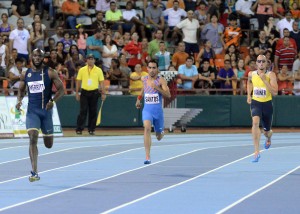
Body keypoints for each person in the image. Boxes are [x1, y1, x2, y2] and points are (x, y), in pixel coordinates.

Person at [15, 48, 65, 182]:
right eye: (35, 55)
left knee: (48, 144)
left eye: (39, 56)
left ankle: (46, 135)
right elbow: (21, 90)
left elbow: (62, 90)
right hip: (32, 112)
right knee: (32, 137)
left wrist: (53, 101)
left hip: (46, 113)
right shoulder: (26, 73)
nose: (37, 58)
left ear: (43, 58)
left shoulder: (50, 72)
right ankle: (34, 172)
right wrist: (19, 100)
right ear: (32, 57)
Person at [135, 60, 171, 164]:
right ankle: (147, 156)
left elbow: (168, 95)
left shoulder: (161, 81)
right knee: (146, 128)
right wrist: (138, 99)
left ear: (157, 69)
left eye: (154, 68)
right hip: (147, 110)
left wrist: (157, 88)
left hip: (158, 112)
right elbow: (143, 89)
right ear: (147, 69)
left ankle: (161, 131)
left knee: (159, 137)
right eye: (150, 68)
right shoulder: (144, 79)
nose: (151, 70)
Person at [247, 55, 278, 163]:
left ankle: (269, 138)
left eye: (263, 61)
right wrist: (249, 95)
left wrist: (265, 80)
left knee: (267, 131)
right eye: (259, 61)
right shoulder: (251, 74)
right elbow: (249, 82)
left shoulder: (271, 75)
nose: (261, 63)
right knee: (255, 123)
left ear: (266, 63)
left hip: (267, 104)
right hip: (256, 102)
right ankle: (256, 152)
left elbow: (275, 92)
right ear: (256, 63)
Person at [75, 54, 106, 135]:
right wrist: (77, 93)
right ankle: (79, 129)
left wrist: (103, 93)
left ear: (94, 60)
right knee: (83, 111)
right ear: (86, 60)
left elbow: (102, 82)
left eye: (92, 59)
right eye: (88, 59)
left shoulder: (98, 70)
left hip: (94, 92)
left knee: (93, 111)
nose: (90, 60)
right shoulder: (82, 70)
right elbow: (78, 82)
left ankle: (91, 129)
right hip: (84, 92)